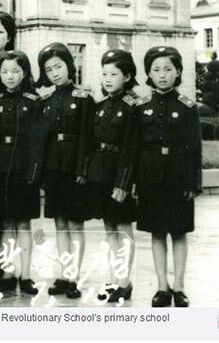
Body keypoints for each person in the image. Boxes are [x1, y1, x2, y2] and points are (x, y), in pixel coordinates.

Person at [126, 46, 202, 308]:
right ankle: (162, 287)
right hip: (150, 178)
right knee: (157, 232)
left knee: (179, 232)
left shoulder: (188, 107)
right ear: (148, 72)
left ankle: (179, 286)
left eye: (168, 69)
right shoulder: (141, 106)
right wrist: (133, 181)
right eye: (156, 69)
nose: (162, 75)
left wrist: (194, 183)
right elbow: (134, 148)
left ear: (178, 71)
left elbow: (195, 148)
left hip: (179, 178)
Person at [36, 43, 95, 300]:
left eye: (59, 67)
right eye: (49, 70)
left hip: (74, 169)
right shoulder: (47, 101)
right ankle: (63, 273)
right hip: (54, 170)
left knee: (74, 224)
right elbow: (43, 139)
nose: (55, 73)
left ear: (70, 66)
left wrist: (82, 169)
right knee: (60, 224)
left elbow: (87, 137)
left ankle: (74, 277)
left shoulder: (84, 98)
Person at [87, 50, 139, 303]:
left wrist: (124, 183)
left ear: (127, 76)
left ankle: (125, 281)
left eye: (114, 74)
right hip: (101, 174)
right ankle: (114, 277)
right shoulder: (100, 106)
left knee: (123, 229)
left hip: (120, 175)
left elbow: (131, 148)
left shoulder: (133, 107)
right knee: (109, 229)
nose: (108, 79)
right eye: (105, 74)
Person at [0, 50, 41, 296]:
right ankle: (8, 272)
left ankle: (26, 274)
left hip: (24, 168)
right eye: (5, 72)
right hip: (2, 168)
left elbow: (38, 142)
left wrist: (34, 173)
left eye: (16, 71)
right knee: (7, 222)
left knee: (24, 223)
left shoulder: (33, 101)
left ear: (25, 73)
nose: (10, 77)